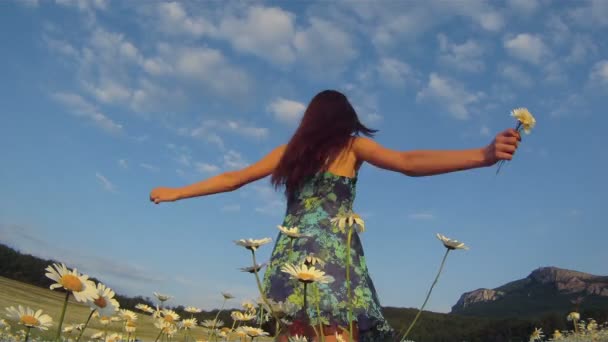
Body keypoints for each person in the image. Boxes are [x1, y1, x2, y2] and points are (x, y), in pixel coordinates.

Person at [150, 90, 521, 341]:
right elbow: (408, 162)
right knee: (336, 331)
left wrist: (178, 193)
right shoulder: (352, 147)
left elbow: (234, 180)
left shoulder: (289, 152)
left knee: (293, 330)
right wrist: (483, 155)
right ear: (346, 119)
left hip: (291, 255)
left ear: (310, 120)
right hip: (334, 261)